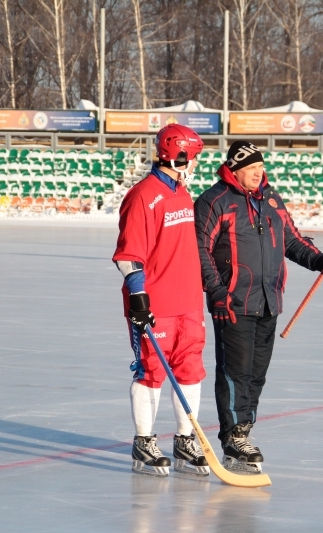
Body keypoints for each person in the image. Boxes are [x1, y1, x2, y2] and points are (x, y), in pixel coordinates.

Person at [194, 140, 323, 475]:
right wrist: (216, 292)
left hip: (269, 301)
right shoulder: (214, 201)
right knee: (235, 372)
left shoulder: (270, 199)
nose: (259, 173)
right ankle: (232, 437)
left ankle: (244, 430)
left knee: (256, 375)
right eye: (252, 169)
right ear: (235, 169)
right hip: (233, 302)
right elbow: (200, 251)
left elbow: (290, 238)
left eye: (261, 167)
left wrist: (318, 259)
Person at [112, 124, 209, 478]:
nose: (196, 162)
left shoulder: (181, 193)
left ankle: (185, 440)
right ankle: (144, 442)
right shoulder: (143, 196)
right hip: (155, 305)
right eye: (193, 155)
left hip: (188, 302)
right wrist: (139, 298)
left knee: (190, 371)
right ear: (178, 154)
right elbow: (128, 255)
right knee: (151, 372)